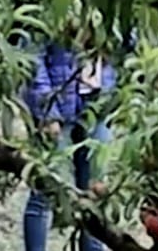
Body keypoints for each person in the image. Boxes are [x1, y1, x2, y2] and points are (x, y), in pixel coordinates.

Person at [22, 33, 118, 251]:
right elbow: (33, 57)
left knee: (94, 193)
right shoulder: (55, 4)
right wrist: (47, 110)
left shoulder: (106, 0)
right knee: (45, 188)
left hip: (98, 103)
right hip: (58, 100)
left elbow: (125, 42)